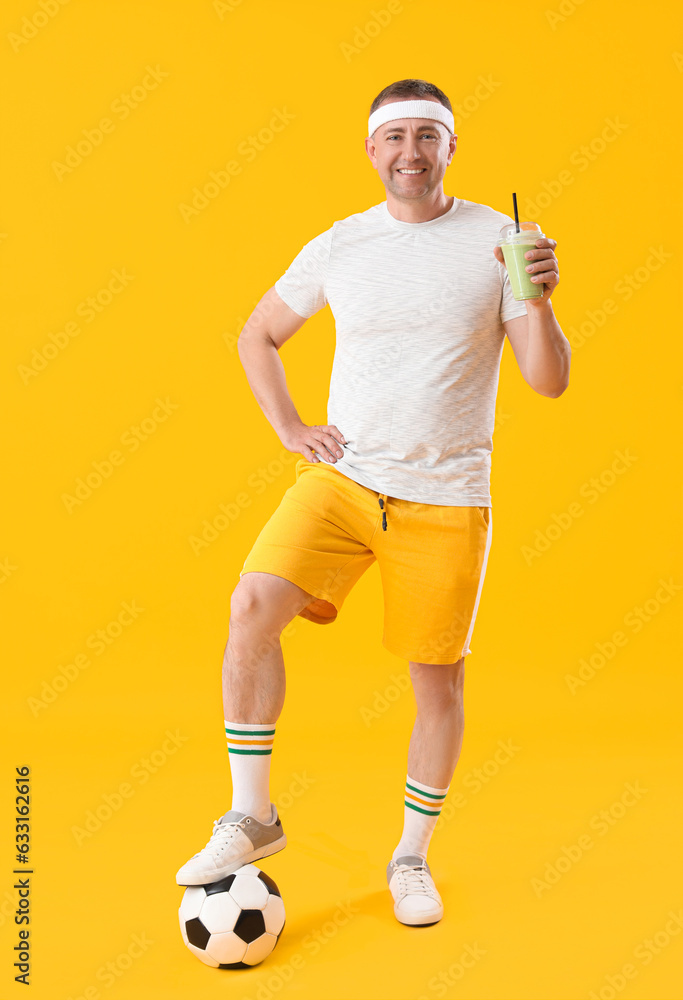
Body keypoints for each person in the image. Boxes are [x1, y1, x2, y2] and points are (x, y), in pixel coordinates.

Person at [176, 78, 570, 926]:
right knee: (250, 606)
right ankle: (253, 816)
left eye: (427, 136)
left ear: (450, 149)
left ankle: (408, 858)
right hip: (345, 481)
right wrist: (289, 426)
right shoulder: (340, 245)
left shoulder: (499, 240)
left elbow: (547, 381)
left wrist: (536, 296)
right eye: (394, 137)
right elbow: (258, 334)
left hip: (446, 497)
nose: (410, 153)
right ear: (371, 150)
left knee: (436, 683)